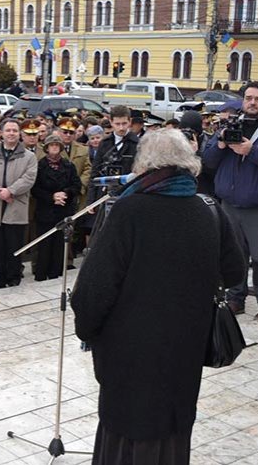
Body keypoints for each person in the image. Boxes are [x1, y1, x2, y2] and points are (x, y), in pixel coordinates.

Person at [72, 129, 246, 464]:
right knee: (172, 423)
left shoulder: (129, 210)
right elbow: (235, 272)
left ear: (144, 165)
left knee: (127, 428)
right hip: (185, 343)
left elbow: (94, 289)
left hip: (130, 348)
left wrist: (88, 330)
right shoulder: (208, 209)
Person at [202, 81, 258, 319]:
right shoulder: (231, 124)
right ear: (243, 100)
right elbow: (208, 161)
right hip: (229, 204)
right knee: (234, 255)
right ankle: (236, 298)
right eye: (249, 98)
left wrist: (252, 151)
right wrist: (221, 143)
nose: (252, 103)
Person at [0, 119, 38, 291]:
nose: (11, 133)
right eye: (8, 130)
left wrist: (10, 191)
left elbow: (29, 178)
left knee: (14, 244)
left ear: (19, 134)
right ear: (1, 134)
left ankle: (13, 277)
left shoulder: (29, 157)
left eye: (14, 130)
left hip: (16, 204)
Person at [31, 135, 80, 281]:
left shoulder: (68, 165)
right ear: (46, 148)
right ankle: (41, 274)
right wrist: (52, 197)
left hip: (63, 209)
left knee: (60, 244)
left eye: (57, 145)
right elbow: (35, 189)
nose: (54, 147)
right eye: (51, 145)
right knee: (44, 245)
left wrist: (65, 193)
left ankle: (55, 273)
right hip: (45, 210)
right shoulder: (39, 166)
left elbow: (76, 185)